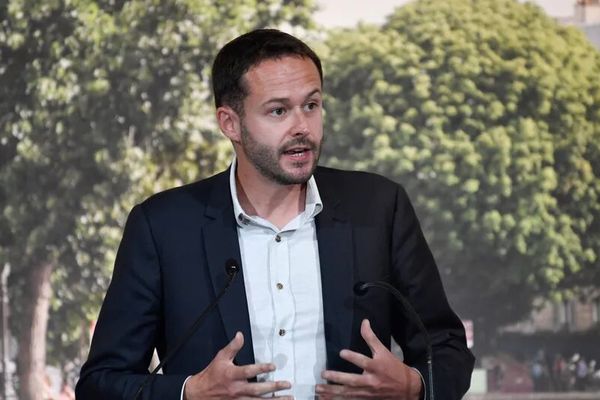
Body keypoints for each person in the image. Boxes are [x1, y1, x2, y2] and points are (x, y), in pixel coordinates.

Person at [76, 29, 474, 399]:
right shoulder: (163, 226)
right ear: (230, 122)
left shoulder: (378, 207)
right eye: (278, 111)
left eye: (312, 105)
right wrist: (190, 392)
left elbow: (448, 348)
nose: (302, 127)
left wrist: (414, 385)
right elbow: (100, 383)